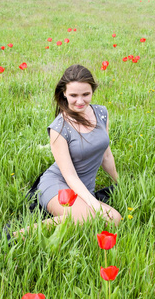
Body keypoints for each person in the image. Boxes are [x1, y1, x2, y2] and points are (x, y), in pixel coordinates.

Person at [35, 64, 122, 226]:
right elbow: (70, 176)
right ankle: (16, 236)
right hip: (59, 185)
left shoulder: (101, 113)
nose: (80, 101)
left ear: (92, 92)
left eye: (86, 94)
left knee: (114, 219)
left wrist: (119, 184)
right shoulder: (59, 128)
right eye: (73, 95)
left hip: (85, 188)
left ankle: (72, 217)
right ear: (64, 94)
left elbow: (106, 155)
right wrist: (94, 204)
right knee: (94, 219)